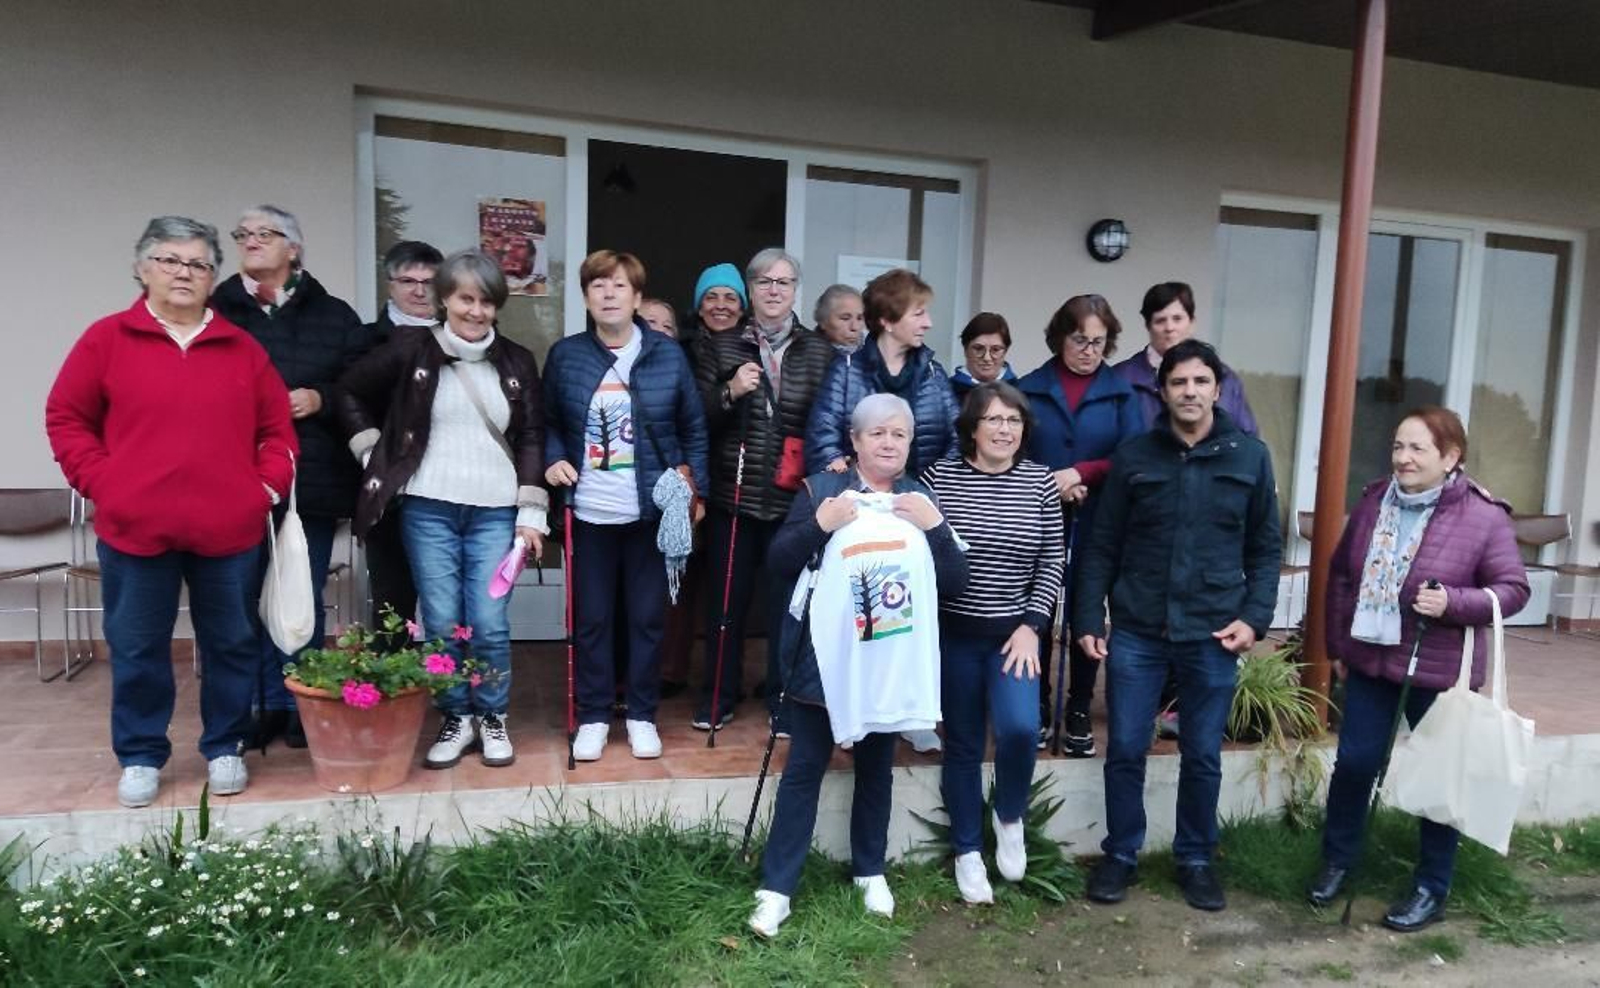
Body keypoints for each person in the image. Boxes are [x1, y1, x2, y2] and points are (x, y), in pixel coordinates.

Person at [45, 216, 298, 807]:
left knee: (232, 642)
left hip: (228, 529)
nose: (184, 272)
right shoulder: (105, 339)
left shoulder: (242, 346)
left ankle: (225, 746)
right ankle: (139, 754)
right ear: (141, 268)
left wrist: (263, 489)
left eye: (199, 264)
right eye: (170, 260)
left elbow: (277, 430)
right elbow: (67, 420)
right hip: (135, 529)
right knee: (136, 645)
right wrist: (107, 484)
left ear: (214, 276)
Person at [748, 394, 969, 938]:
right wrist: (818, 525)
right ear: (856, 441)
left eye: (899, 434)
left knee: (875, 769)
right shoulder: (823, 489)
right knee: (804, 770)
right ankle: (776, 889)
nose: (889, 443)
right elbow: (778, 565)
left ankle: (870, 871)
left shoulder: (920, 496)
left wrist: (936, 527)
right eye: (878, 434)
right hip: (824, 663)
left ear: (910, 442)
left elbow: (957, 580)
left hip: (887, 661)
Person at [1074, 339, 1281, 913]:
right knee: (1126, 750)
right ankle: (1120, 855)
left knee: (1202, 754)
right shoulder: (1136, 456)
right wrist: (1090, 615)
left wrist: (1254, 619)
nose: (1189, 392)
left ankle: (1195, 858)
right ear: (1161, 391)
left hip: (1213, 632)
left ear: (1217, 388)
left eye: (1200, 382)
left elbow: (1266, 550)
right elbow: (1102, 545)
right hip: (1138, 629)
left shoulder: (1250, 457)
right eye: (1178, 383)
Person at [1308, 407, 1529, 932]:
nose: (1403, 459)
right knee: (1356, 764)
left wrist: (1454, 601)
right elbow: (1341, 577)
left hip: (1441, 671)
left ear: (1450, 457)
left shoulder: (1484, 516)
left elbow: (1514, 590)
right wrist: (1339, 644)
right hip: (1370, 660)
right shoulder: (1372, 501)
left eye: (1417, 449)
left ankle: (1432, 887)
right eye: (1397, 447)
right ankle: (1338, 860)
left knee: (1441, 781)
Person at [338, 250, 548, 770]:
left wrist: (531, 511)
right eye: (465, 299)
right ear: (445, 300)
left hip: (496, 510)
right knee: (441, 620)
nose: (476, 311)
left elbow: (532, 437)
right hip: (428, 507)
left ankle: (492, 716)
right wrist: (371, 452)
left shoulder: (518, 360)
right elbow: (347, 391)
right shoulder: (412, 349)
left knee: (488, 621)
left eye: (486, 301)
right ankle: (456, 715)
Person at [210, 205, 370, 750]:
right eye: (243, 234)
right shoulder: (218, 311)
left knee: (300, 589)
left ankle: (296, 699)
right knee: (243, 595)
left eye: (265, 234)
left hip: (312, 479)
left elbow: (359, 385)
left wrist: (322, 398)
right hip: (237, 478)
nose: (252, 241)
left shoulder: (335, 314)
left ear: (293, 248)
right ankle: (258, 704)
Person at [543, 250, 709, 762]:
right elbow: (548, 422)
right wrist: (552, 460)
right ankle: (593, 716)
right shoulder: (567, 355)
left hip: (650, 515)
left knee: (645, 619)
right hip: (589, 511)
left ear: (637, 297)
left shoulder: (665, 354)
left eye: (618, 286)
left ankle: (641, 715)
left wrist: (695, 488)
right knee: (592, 619)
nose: (608, 294)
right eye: (597, 286)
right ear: (586, 296)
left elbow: (693, 430)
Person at [805, 267, 959, 752]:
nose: (928, 323)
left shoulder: (933, 372)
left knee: (909, 611)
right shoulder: (848, 368)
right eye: (919, 312)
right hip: (861, 503)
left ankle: (908, 711)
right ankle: (855, 703)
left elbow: (952, 436)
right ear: (889, 319)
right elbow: (824, 429)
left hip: (911, 503)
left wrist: (934, 491)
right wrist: (844, 474)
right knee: (863, 607)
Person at [922, 381, 1064, 903]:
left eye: (1014, 421)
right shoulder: (940, 478)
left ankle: (1009, 816)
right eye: (994, 420)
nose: (1004, 429)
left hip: (1014, 637)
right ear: (972, 428)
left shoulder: (1040, 482)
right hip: (955, 636)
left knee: (1021, 728)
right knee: (960, 745)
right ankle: (966, 852)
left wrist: (1032, 625)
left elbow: (1052, 561)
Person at [692, 248, 833, 731]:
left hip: (793, 501)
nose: (774, 291)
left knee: (786, 608)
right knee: (725, 604)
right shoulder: (721, 344)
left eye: (785, 282)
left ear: (796, 290)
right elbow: (695, 418)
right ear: (750, 290)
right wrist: (729, 392)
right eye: (765, 282)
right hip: (734, 497)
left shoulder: (819, 349)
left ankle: (783, 697)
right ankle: (718, 695)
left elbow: (827, 422)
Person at [1016, 295, 1144, 755]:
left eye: (1098, 341)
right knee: (1040, 609)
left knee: (1086, 612)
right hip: (1039, 517)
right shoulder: (1030, 388)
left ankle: (1077, 707)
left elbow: (1132, 455)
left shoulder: (1121, 393)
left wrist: (1082, 474)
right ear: (1060, 337)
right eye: (1079, 339)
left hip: (1100, 518)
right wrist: (1052, 484)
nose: (1088, 350)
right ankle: (1035, 702)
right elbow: (1014, 452)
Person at [359, 240, 444, 648]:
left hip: (450, 485)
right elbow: (347, 398)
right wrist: (369, 449)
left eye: (430, 281)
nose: (419, 290)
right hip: (390, 487)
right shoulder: (366, 341)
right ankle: (397, 701)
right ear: (390, 285)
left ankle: (454, 697)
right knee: (393, 601)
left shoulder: (466, 339)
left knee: (449, 600)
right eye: (408, 280)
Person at [1113, 282, 1257, 436]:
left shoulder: (1225, 378)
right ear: (1148, 326)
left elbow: (1248, 441)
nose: (1169, 328)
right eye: (1160, 320)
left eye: (1177, 318)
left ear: (1192, 323)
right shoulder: (1120, 378)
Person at [949, 312, 1018, 399]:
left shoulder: (1020, 392)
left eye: (995, 350)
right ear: (965, 349)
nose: (987, 358)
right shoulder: (945, 392)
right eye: (978, 349)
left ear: (1005, 351)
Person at [813, 284, 864, 354]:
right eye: (845, 318)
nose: (855, 327)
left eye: (859, 318)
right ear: (823, 321)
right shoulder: (807, 357)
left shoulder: (872, 356)